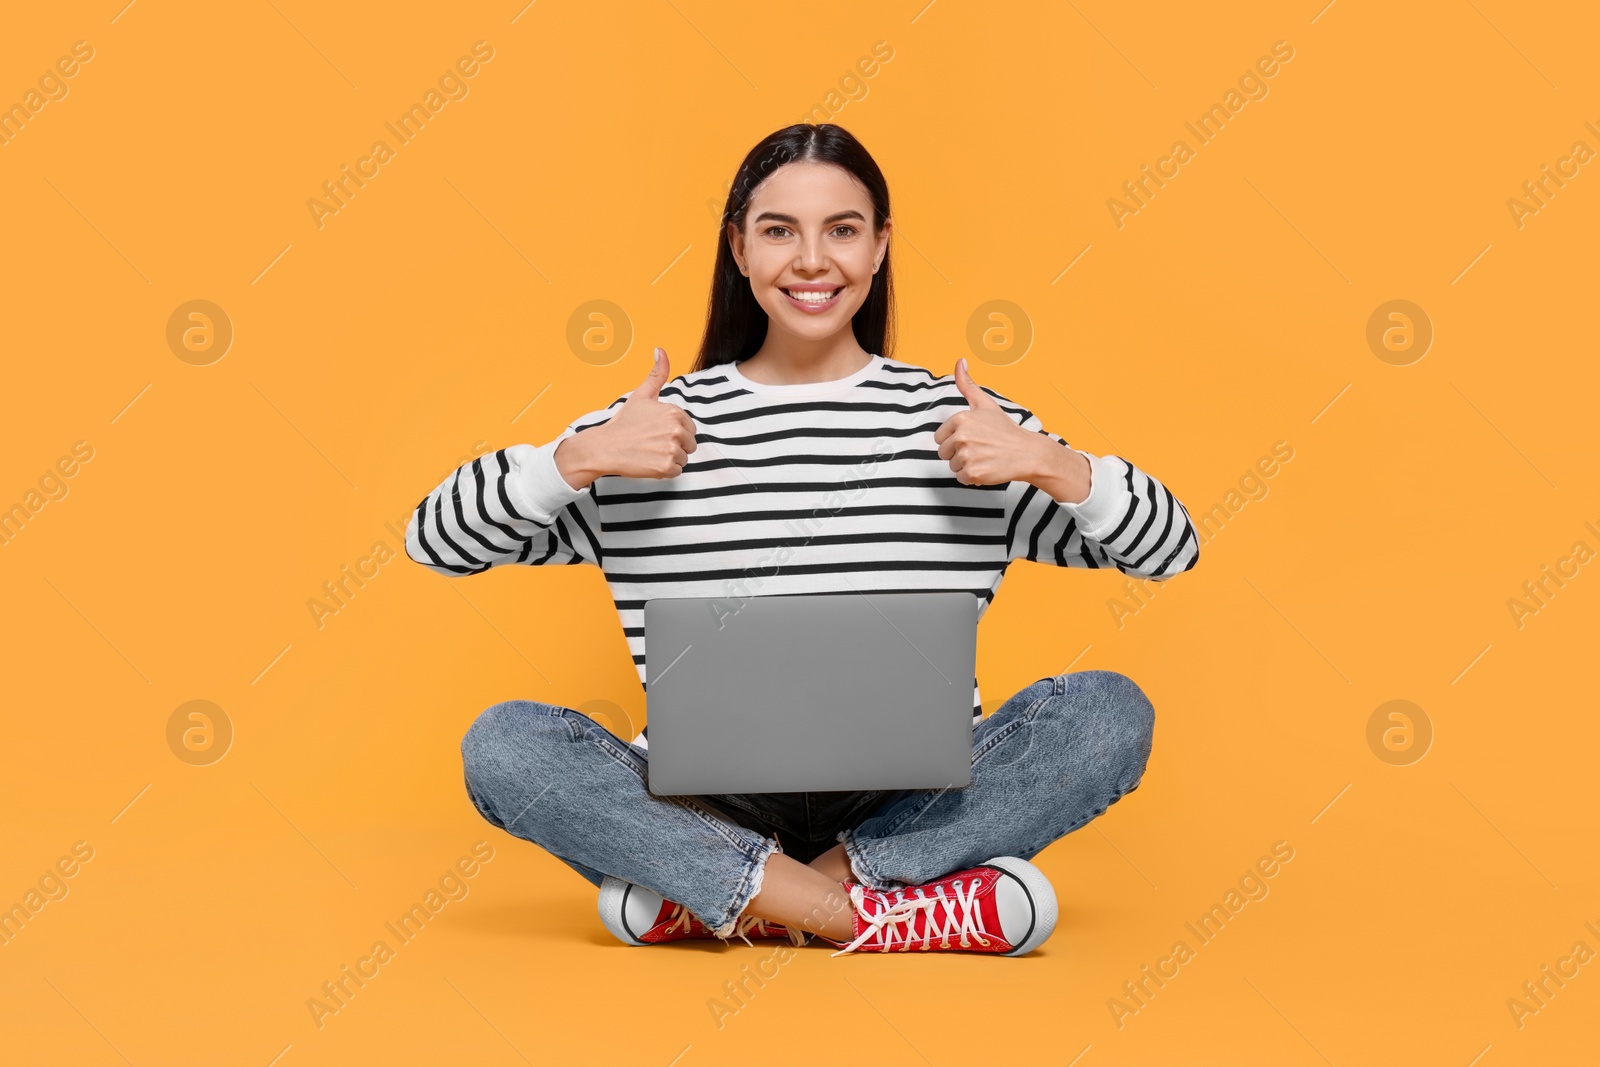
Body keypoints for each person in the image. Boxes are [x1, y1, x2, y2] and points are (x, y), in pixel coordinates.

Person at [405, 123, 1200, 956]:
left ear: (880, 246)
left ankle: (728, 893)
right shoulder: (651, 431)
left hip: (911, 801)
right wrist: (577, 458)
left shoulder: (963, 429)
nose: (812, 261)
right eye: (779, 230)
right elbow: (437, 539)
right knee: (503, 746)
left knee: (1109, 714)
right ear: (739, 249)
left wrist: (1055, 464)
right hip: (704, 804)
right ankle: (867, 912)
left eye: (843, 230)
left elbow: (1170, 549)